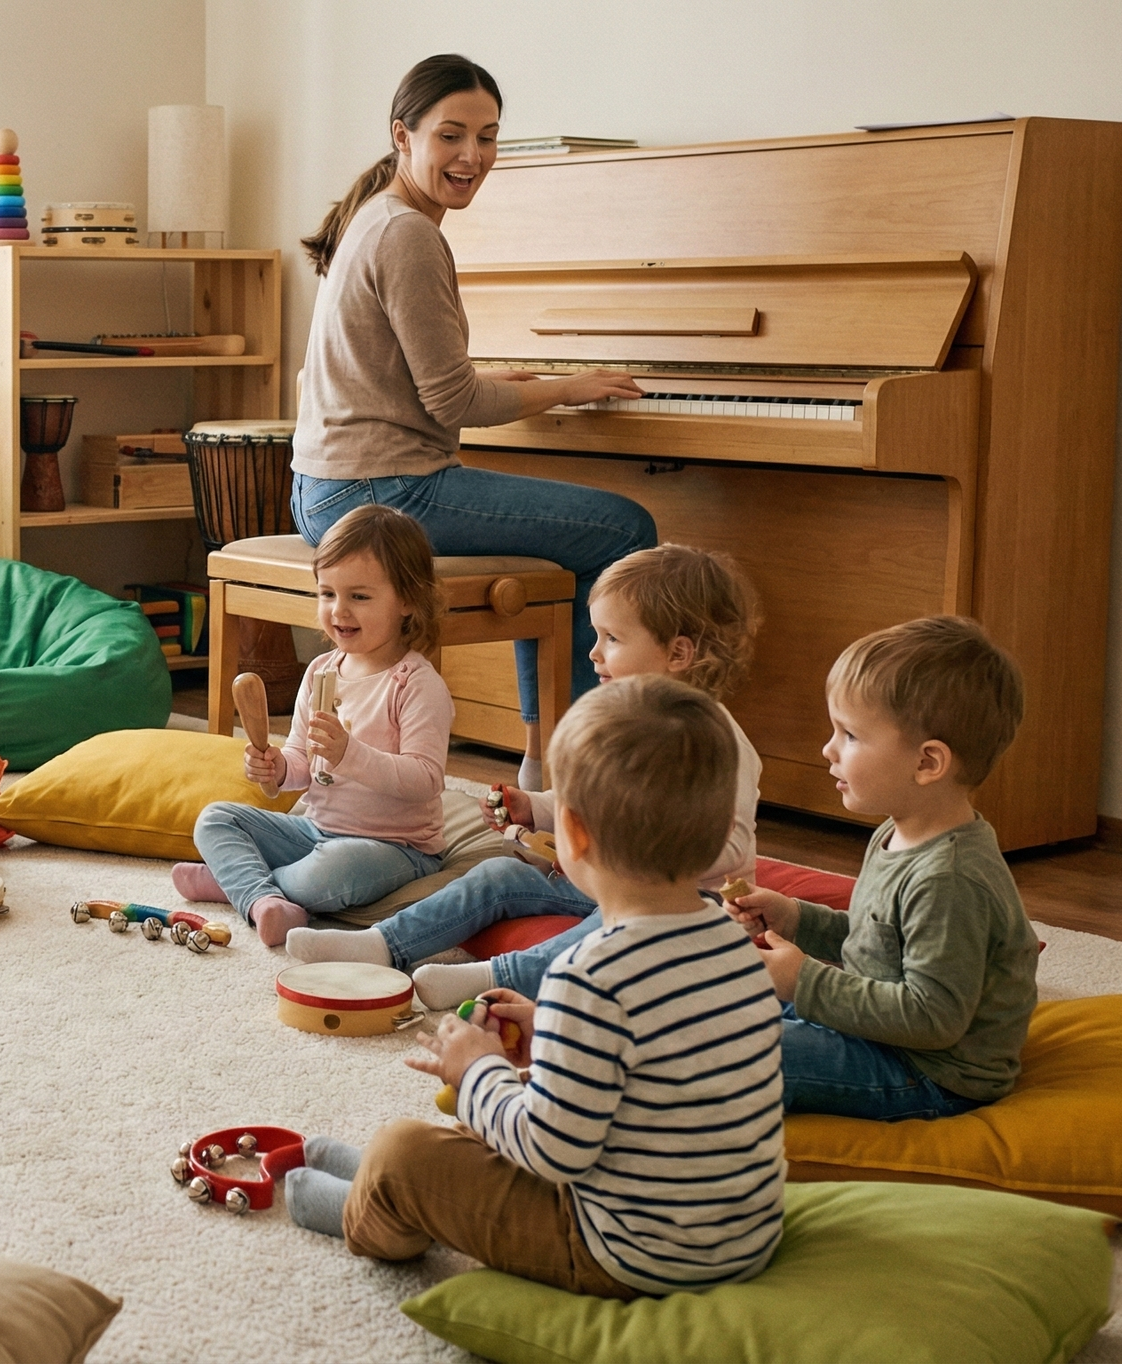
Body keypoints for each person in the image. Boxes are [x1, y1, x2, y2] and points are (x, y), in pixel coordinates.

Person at [286, 676, 784, 1299]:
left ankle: (379, 1210)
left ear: (572, 835)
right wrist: (547, 1031)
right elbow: (651, 1064)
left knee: (406, 1147)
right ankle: (394, 1183)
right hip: (737, 1235)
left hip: (626, 1253)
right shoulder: (738, 946)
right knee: (492, 1114)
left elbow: (551, 1150)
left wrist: (476, 1071)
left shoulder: (589, 972)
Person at [293, 52, 655, 788]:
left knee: (559, 549)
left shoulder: (376, 216)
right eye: (452, 136)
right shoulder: (409, 234)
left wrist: (503, 381)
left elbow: (408, 381)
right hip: (382, 492)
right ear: (404, 136)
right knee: (624, 530)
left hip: (326, 486)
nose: (472, 156)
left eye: (488, 137)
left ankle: (541, 756)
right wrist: (564, 387)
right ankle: (578, 766)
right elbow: (453, 403)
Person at [288, 545, 762, 1008]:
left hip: (687, 905)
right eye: (595, 636)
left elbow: (732, 845)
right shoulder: (624, 723)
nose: (593, 654)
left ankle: (492, 977)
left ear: (678, 654)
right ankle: (385, 943)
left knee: (611, 934)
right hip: (606, 879)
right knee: (499, 874)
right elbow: (590, 801)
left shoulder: (718, 743)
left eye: (612, 640)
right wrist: (534, 807)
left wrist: (632, 853)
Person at [728, 617, 1037, 1119]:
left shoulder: (949, 878)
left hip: (930, 1071)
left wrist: (803, 980)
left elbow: (932, 1018)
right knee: (716, 1005)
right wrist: (797, 920)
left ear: (927, 763)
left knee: (742, 1054)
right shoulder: (895, 833)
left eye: (849, 735)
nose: (828, 749)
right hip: (880, 1033)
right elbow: (879, 945)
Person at [171, 505, 454, 946]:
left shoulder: (416, 684)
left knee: (330, 875)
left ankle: (240, 884)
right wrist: (279, 769)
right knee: (214, 819)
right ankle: (263, 900)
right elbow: (303, 760)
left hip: (395, 848)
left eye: (359, 597)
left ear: (408, 600)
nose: (339, 610)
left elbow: (425, 780)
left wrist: (350, 755)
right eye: (327, 594)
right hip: (315, 831)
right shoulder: (322, 670)